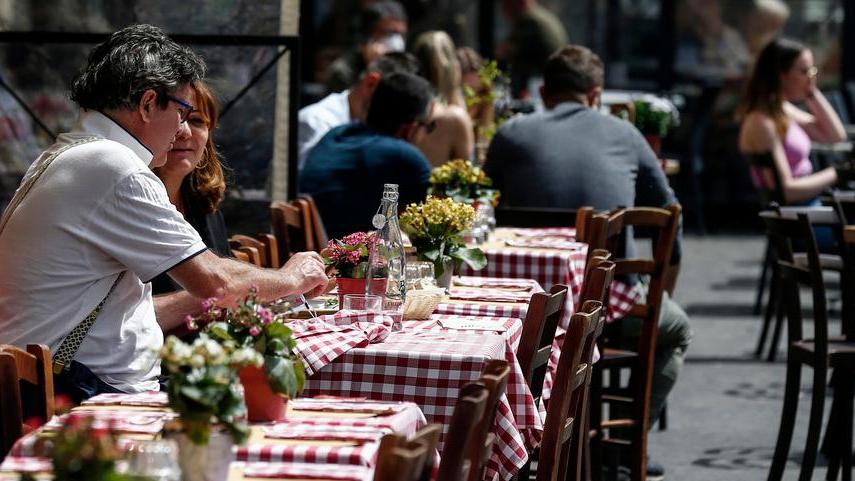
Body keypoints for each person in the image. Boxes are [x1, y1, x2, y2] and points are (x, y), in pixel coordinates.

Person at [0, 24, 328, 400]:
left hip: (77, 381)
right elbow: (216, 283)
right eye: (183, 111)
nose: (182, 129)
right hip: (88, 394)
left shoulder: (74, 153)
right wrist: (291, 278)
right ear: (147, 103)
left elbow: (127, 312)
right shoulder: (113, 166)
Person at [483, 44, 690, 479]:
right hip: (604, 303)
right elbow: (668, 215)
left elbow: (487, 210)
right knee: (674, 329)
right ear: (595, 94)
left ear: (543, 90)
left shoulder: (511, 134)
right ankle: (621, 450)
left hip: (522, 308)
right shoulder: (626, 133)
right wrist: (656, 292)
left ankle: (521, 438)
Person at [299, 72, 434, 240]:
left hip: (311, 252)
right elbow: (431, 227)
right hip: (342, 259)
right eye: (429, 126)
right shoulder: (405, 156)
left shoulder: (336, 134)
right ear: (410, 128)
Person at [738, 38, 844, 205]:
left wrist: (811, 92)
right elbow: (786, 191)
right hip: (801, 219)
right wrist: (837, 173)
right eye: (804, 71)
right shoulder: (762, 121)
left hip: (812, 208)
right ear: (781, 76)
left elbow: (835, 136)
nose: (811, 78)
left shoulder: (783, 110)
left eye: (813, 71)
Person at [150, 81, 230, 295]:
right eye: (176, 117)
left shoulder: (204, 203)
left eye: (196, 120)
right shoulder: (131, 201)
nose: (184, 132)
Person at [297, 52, 420, 173]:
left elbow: (390, 187)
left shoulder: (374, 132)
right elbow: (310, 187)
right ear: (371, 83)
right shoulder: (317, 122)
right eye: (394, 103)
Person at [411, 31, 473, 167]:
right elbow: (465, 179)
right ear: (452, 68)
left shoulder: (400, 113)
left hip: (397, 188)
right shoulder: (455, 118)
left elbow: (390, 178)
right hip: (436, 188)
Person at [325, 1, 409, 94]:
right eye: (389, 33)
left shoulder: (409, 66)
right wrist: (374, 68)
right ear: (368, 36)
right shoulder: (343, 72)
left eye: (401, 33)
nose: (396, 40)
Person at [496, 0, 568, 97]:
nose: (504, 10)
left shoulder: (530, 20)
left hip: (543, 80)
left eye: (507, 5)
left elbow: (506, 52)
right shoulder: (539, 15)